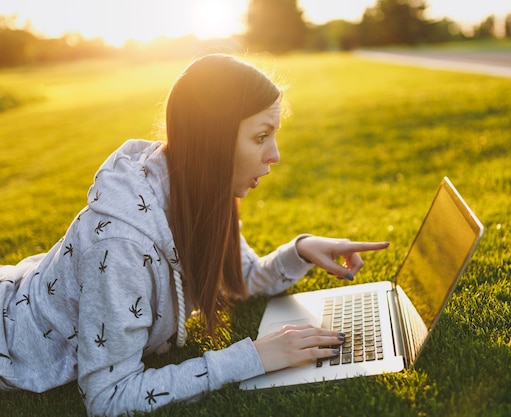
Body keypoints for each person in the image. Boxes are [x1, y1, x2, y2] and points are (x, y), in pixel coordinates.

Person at [0, 54, 389, 416]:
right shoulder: (121, 245)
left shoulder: (203, 193)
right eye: (260, 136)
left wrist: (301, 250)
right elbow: (109, 396)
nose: (275, 155)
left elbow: (241, 279)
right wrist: (252, 357)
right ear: (213, 138)